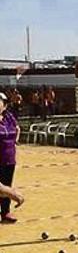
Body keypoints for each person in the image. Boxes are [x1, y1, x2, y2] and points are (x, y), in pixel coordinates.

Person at [0, 92, 21, 223]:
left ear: (4, 105)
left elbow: (17, 128)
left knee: (7, 185)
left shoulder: (9, 117)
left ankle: (5, 212)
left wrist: (15, 141)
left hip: (9, 158)